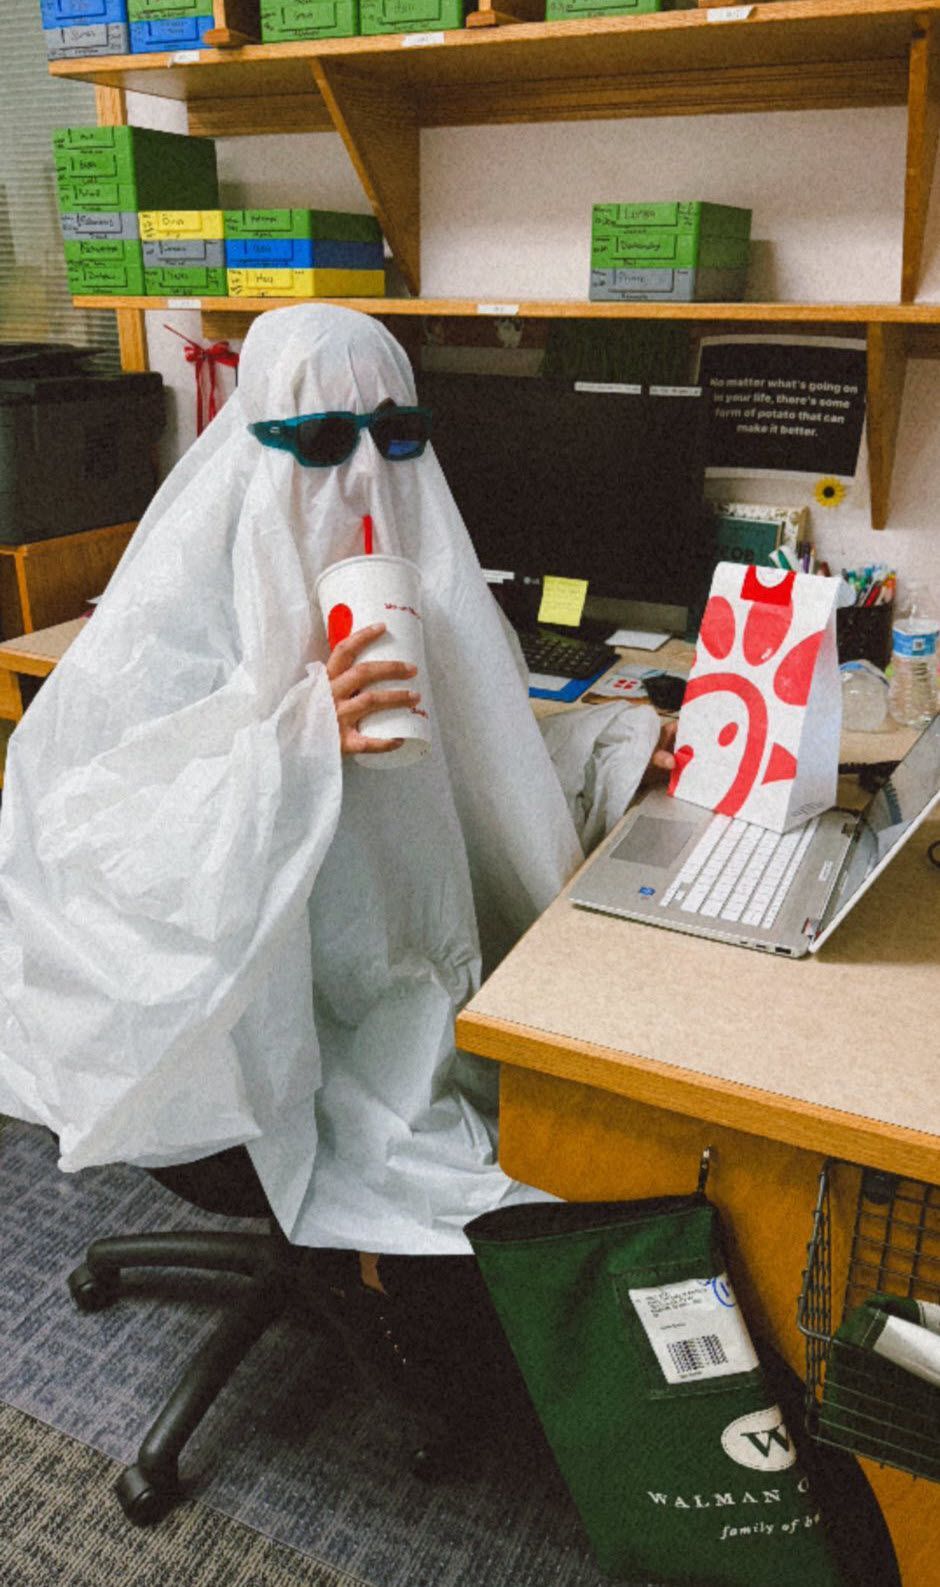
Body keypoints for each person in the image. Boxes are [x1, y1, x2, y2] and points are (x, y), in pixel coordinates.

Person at [0, 304, 673, 1452]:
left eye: (398, 430)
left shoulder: (422, 567)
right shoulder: (180, 609)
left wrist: (620, 749)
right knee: (479, 1166)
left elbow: (490, 749)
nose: (365, 468)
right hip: (239, 1032)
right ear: (256, 436)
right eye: (320, 440)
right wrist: (300, 735)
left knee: (586, 1098)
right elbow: (93, 831)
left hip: (402, 970)